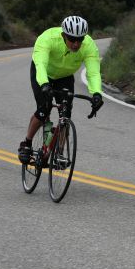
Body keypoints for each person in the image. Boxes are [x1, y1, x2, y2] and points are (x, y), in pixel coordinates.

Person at [18, 15, 104, 163]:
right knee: (44, 109)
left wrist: (97, 93)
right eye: (72, 39)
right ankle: (26, 143)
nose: (76, 44)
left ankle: (59, 153)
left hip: (65, 76)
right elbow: (40, 64)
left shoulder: (89, 45)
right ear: (63, 35)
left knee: (65, 115)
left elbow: (94, 72)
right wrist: (44, 84)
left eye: (80, 39)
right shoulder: (48, 38)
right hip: (43, 73)